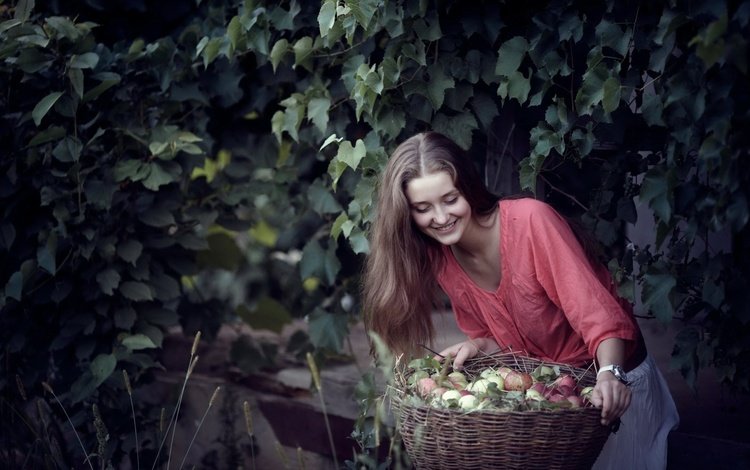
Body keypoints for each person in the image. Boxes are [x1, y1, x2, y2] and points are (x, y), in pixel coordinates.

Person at [362, 131, 679, 469]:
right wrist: (482, 346)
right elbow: (514, 342)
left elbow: (600, 318)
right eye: (423, 209)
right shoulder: (442, 259)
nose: (440, 218)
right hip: (551, 403)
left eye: (450, 199)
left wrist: (610, 375)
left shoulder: (531, 222)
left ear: (467, 187)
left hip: (611, 393)